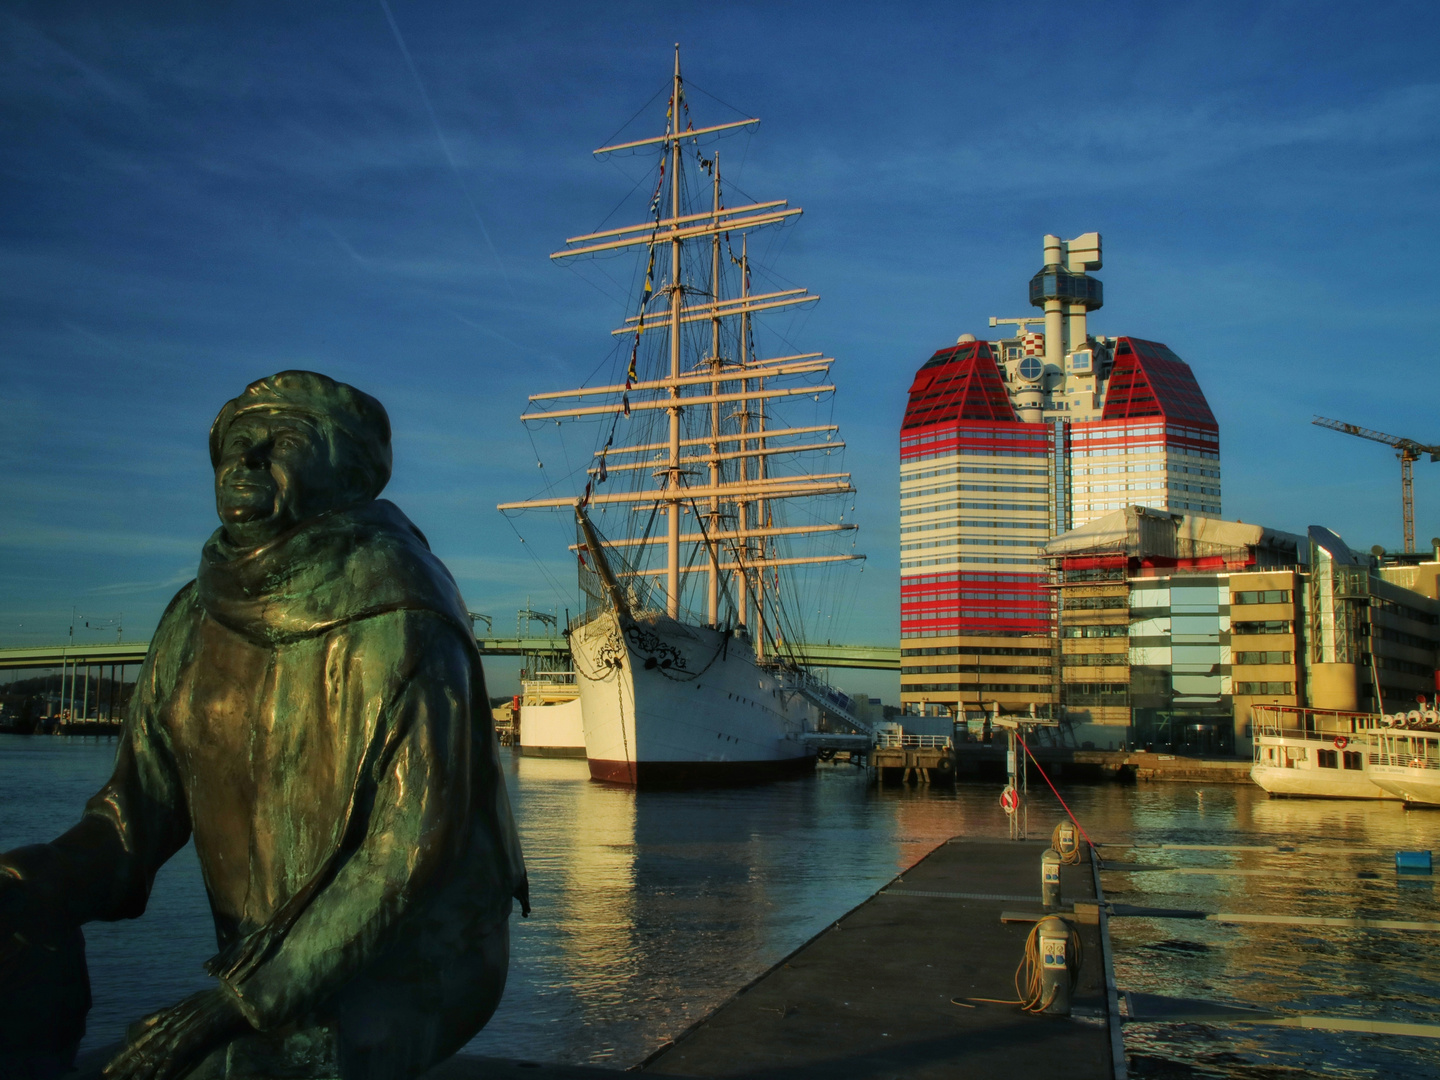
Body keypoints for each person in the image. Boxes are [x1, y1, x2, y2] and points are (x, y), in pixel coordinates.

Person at [0, 371, 527, 1080]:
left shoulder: (403, 611)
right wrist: (36, 881)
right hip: (261, 967)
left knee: (237, 1069)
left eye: (282, 442)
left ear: (347, 472)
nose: (245, 462)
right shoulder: (191, 618)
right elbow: (133, 820)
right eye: (235, 446)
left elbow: (406, 859)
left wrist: (234, 1006)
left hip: (415, 962)